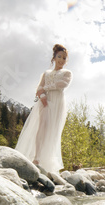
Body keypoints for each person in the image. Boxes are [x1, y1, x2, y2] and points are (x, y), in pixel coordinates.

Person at [15, 44, 72, 174]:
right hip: (45, 103)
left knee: (52, 131)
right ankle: (36, 158)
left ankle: (47, 160)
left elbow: (62, 84)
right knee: (42, 127)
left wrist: (45, 89)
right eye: (59, 57)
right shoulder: (46, 73)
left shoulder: (67, 73)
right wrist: (41, 95)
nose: (61, 60)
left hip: (57, 103)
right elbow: (39, 88)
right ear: (54, 58)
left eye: (64, 58)